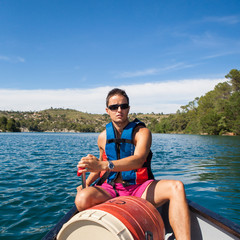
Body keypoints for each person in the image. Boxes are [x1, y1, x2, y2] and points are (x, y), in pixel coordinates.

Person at [75, 88, 190, 240]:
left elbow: (138, 160)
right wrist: (87, 181)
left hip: (140, 188)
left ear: (129, 108)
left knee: (177, 187)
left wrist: (103, 165)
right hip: (112, 189)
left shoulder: (142, 133)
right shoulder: (102, 137)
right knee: (82, 199)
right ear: (107, 110)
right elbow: (99, 166)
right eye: (114, 107)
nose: (119, 110)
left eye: (123, 106)